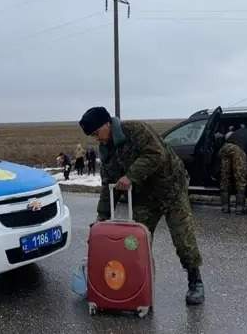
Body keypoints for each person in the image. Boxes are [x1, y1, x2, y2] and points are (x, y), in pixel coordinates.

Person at [79, 106, 205, 306]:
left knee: (183, 237)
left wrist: (130, 176)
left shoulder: (136, 130)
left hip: (171, 188)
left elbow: (156, 154)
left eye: (97, 133)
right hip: (144, 196)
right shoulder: (107, 150)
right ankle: (137, 284)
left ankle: (195, 281)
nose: (97, 139)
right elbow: (108, 185)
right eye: (93, 136)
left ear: (107, 124)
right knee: (135, 242)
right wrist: (101, 219)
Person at [219, 125, 247, 215]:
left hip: (225, 148)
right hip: (238, 150)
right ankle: (239, 208)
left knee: (225, 178)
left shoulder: (233, 135)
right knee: (240, 179)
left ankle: (225, 208)